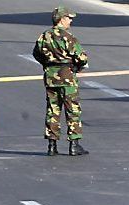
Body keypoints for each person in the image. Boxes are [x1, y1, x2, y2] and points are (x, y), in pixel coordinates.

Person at [34, 7, 90, 156]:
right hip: (67, 77)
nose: (70, 21)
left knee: (53, 110)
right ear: (61, 19)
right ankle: (74, 144)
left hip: (51, 77)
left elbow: (36, 53)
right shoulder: (68, 37)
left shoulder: (44, 36)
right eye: (68, 18)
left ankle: (52, 145)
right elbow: (82, 58)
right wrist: (78, 66)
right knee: (72, 110)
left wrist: (48, 64)